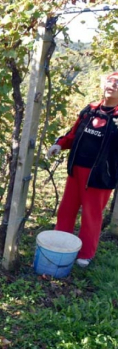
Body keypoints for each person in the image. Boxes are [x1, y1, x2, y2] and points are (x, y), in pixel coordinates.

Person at [47, 72, 118, 268]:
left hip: (100, 176)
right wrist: (60, 144)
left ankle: (85, 254)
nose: (112, 85)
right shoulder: (90, 110)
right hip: (76, 170)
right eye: (110, 81)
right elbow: (72, 134)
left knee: (91, 214)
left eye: (117, 83)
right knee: (66, 210)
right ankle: (60, 243)